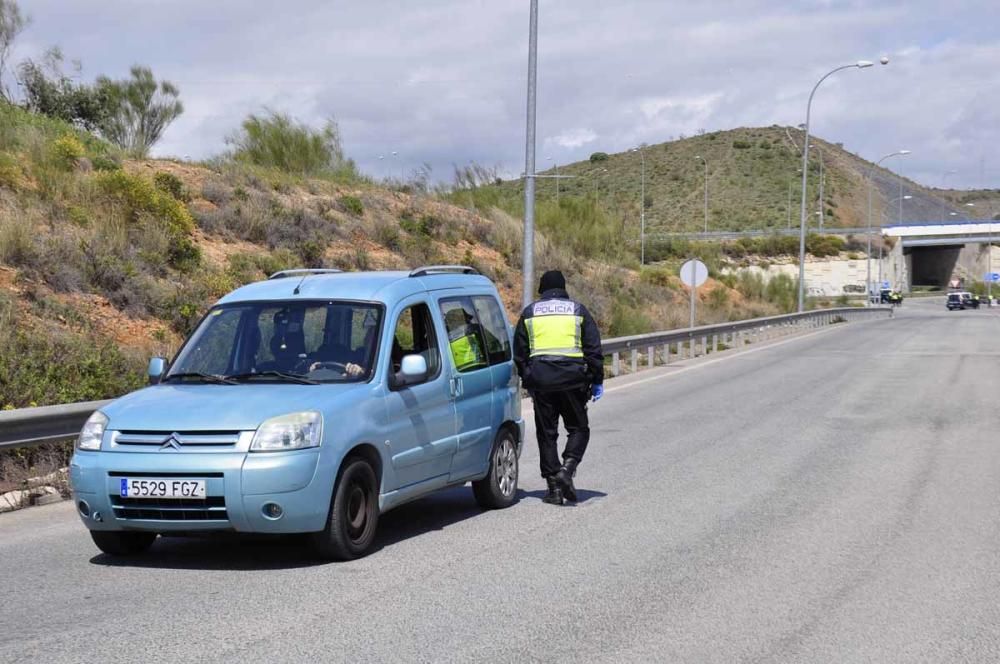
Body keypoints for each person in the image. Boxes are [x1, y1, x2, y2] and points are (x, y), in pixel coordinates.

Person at [513, 270, 604, 506]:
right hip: (573, 380)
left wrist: (529, 377)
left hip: (541, 381)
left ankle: (554, 489)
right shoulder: (578, 310)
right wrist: (597, 380)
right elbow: (593, 349)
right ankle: (568, 468)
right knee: (579, 428)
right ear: (564, 289)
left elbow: (519, 352)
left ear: (542, 289)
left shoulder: (530, 312)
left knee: (547, 434)